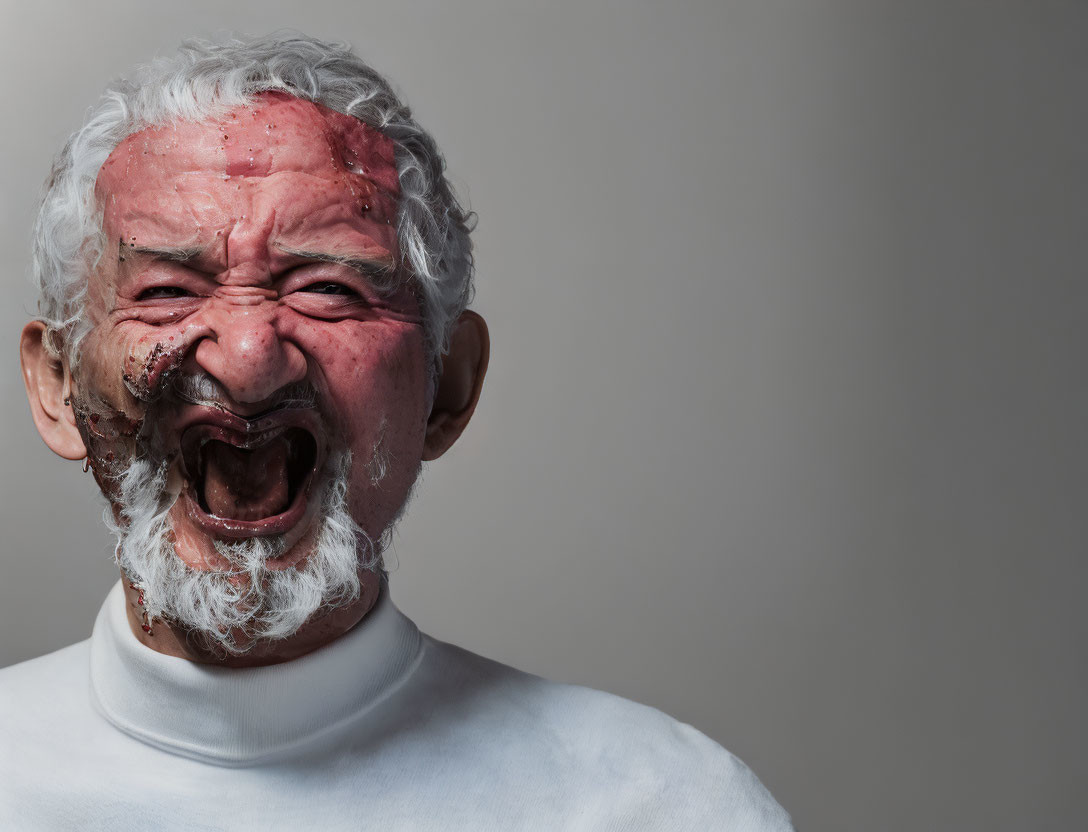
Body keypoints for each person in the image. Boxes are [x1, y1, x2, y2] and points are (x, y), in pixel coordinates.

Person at [1, 32, 793, 830]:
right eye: (169, 289)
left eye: (328, 289)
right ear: (60, 387)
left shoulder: (664, 806)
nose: (248, 360)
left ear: (447, 384)